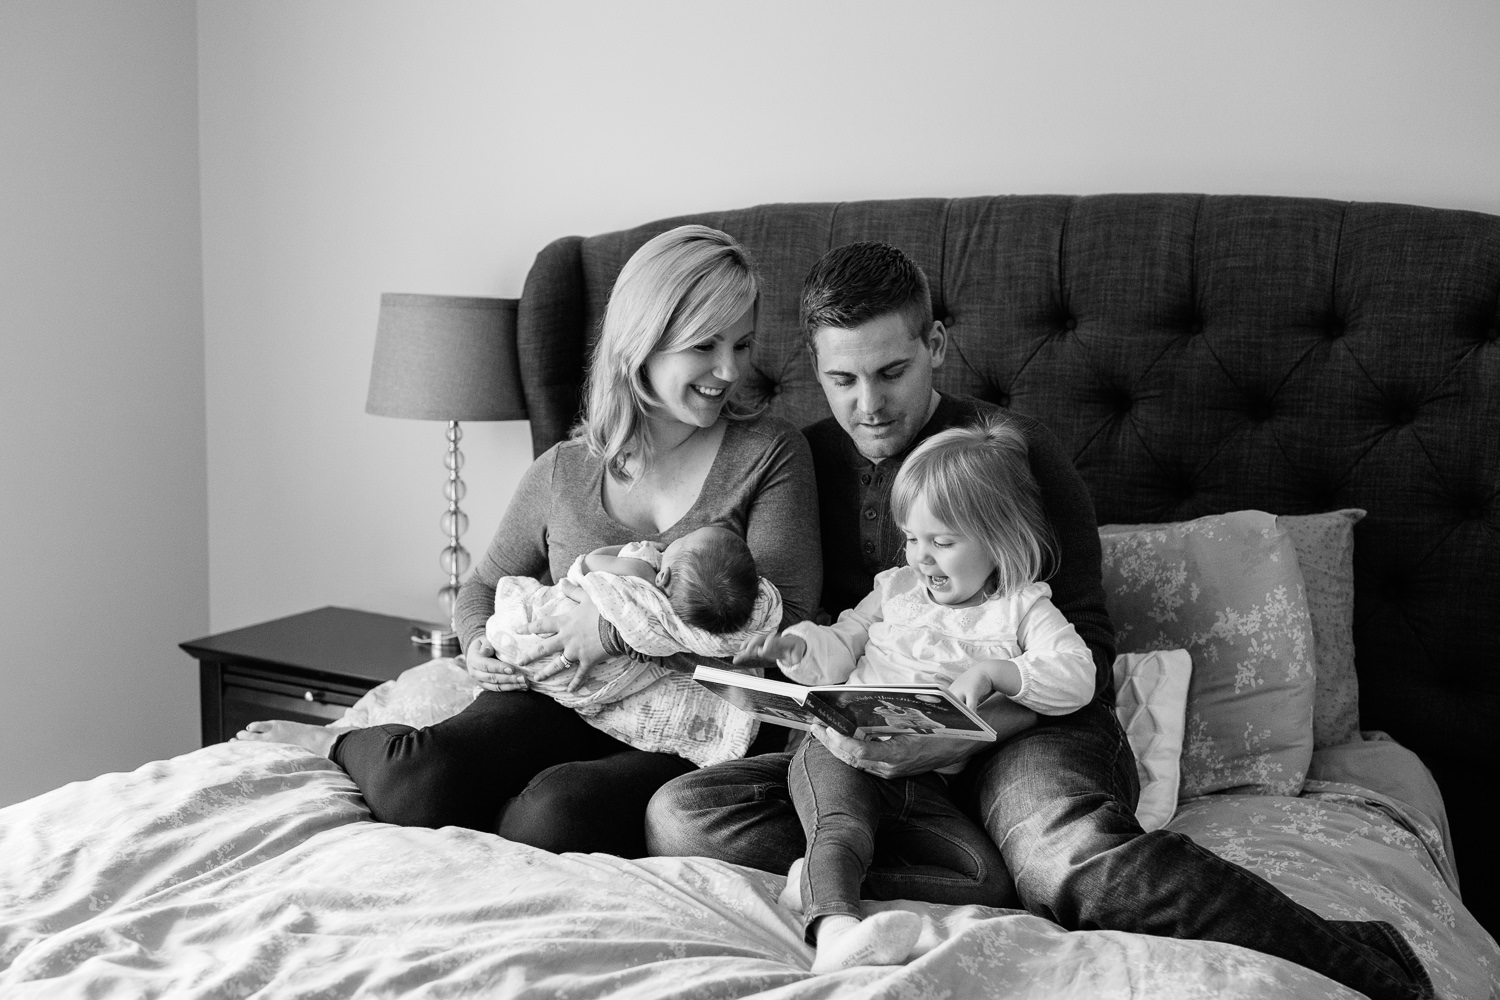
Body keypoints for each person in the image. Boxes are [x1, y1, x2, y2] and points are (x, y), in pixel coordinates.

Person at [645, 241, 1435, 999]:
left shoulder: (1011, 452)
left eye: (891, 371)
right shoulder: (802, 455)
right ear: (814, 366)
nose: (867, 404)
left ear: (938, 344)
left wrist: (967, 729)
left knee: (1069, 861)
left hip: (1026, 724)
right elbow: (814, 621)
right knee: (684, 819)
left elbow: (1083, 642)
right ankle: (982, 875)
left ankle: (1367, 963)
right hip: (883, 738)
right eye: (842, 379)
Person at [238, 224, 820, 857]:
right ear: (643, 343)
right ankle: (333, 742)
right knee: (414, 783)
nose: (730, 370)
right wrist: (480, 640)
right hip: (562, 700)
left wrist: (618, 629)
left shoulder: (770, 454)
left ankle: (507, 806)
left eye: (742, 343)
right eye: (705, 344)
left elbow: (779, 629)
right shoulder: (565, 470)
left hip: (688, 722)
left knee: (553, 821)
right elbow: (482, 585)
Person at [738, 415, 1095, 972]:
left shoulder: (1024, 607)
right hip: (844, 749)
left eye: (943, 542)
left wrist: (999, 672)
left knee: (989, 878)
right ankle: (834, 931)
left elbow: (1078, 674)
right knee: (842, 824)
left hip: (929, 779)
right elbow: (841, 645)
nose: (921, 557)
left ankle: (814, 878)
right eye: (911, 538)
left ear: (1001, 541)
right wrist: (800, 649)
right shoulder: (895, 590)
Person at [487, 525, 783, 766]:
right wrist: (474, 637)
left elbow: (589, 563)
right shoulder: (704, 626)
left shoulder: (640, 569)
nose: (668, 543)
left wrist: (629, 561)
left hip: (549, 657)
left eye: (680, 541)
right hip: (570, 674)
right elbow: (481, 582)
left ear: (663, 576)